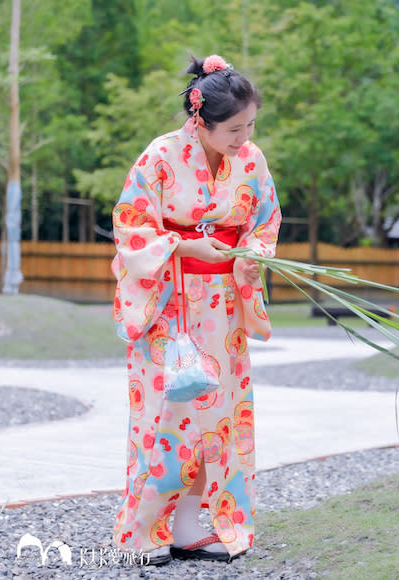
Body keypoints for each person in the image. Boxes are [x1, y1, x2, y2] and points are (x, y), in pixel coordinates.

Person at [110, 54, 281, 565]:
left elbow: (265, 219)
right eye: (233, 128)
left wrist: (252, 256)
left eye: (250, 125)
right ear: (199, 120)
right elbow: (130, 224)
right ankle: (142, 535)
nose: (244, 137)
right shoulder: (160, 156)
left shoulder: (251, 161)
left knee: (220, 419)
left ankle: (186, 528)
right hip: (168, 308)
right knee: (168, 417)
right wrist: (184, 248)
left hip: (224, 310)